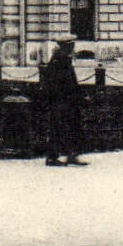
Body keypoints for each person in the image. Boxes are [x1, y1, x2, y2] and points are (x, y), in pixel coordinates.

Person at [41, 35, 87, 167]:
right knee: (58, 128)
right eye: (71, 45)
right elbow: (54, 82)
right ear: (66, 46)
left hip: (68, 101)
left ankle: (71, 155)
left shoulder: (64, 59)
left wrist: (78, 95)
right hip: (61, 101)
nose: (73, 47)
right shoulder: (59, 60)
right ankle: (52, 157)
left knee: (72, 128)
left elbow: (71, 81)